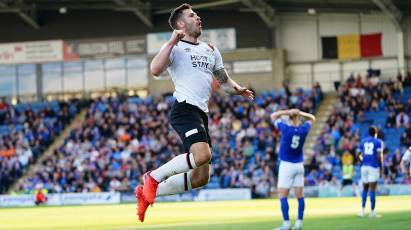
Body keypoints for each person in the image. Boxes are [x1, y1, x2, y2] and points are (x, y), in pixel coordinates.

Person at [135, 3, 254, 222]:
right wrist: (172, 41)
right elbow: (155, 69)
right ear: (181, 23)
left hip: (201, 113)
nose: (198, 18)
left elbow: (224, 81)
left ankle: (147, 192)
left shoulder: (210, 49)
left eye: (197, 15)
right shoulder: (175, 47)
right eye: (192, 15)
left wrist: (238, 90)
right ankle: (153, 177)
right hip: (184, 108)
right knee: (203, 156)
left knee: (201, 177)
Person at [270, 108, 315, 230]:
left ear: (290, 119)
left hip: (287, 165)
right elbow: (312, 118)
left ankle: (286, 224)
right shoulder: (303, 129)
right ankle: (299, 223)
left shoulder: (286, 129)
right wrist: (300, 113)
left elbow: (273, 115)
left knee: (283, 196)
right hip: (299, 165)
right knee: (300, 196)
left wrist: (287, 111)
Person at [357, 126, 384, 218]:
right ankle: (372, 212)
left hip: (364, 166)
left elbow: (358, 154)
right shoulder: (378, 142)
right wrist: (381, 168)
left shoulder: (363, 141)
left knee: (365, 189)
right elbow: (379, 156)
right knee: (372, 189)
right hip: (373, 166)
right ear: (375, 133)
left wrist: (363, 160)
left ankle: (362, 210)